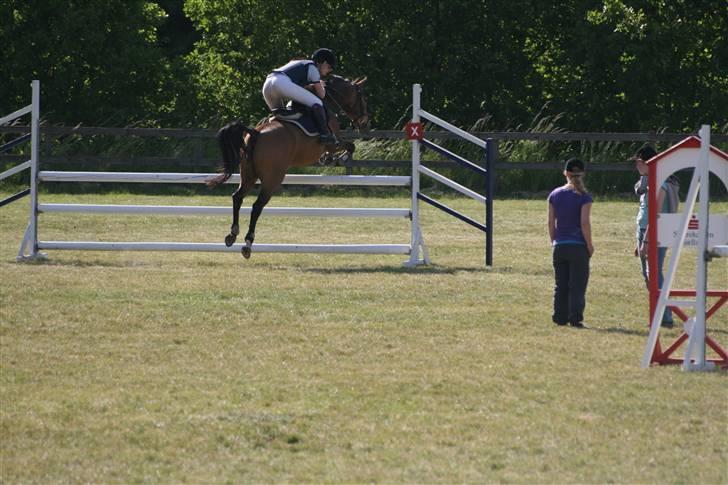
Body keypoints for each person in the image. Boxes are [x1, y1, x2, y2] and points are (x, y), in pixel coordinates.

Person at [633, 145, 680, 327]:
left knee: (653, 273)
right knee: (650, 273)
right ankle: (659, 313)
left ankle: (665, 316)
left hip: (654, 230)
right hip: (652, 229)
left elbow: (655, 213)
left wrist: (646, 240)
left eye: (638, 161)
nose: (636, 165)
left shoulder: (660, 182)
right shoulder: (661, 179)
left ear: (644, 162)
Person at [547, 158, 594, 328]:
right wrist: (589, 244)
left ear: (565, 173)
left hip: (560, 245)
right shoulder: (584, 196)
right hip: (578, 246)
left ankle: (559, 316)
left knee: (561, 284)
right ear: (583, 174)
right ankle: (575, 317)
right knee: (577, 284)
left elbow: (551, 222)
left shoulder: (555, 194)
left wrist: (554, 240)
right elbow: (584, 223)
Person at [261, 48, 338, 144]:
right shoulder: (313, 67)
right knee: (317, 103)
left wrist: (312, 86)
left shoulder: (301, 63)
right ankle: (324, 134)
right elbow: (321, 95)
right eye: (329, 68)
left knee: (280, 116)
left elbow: (299, 89)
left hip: (267, 85)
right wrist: (321, 85)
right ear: (324, 63)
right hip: (281, 83)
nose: (329, 71)